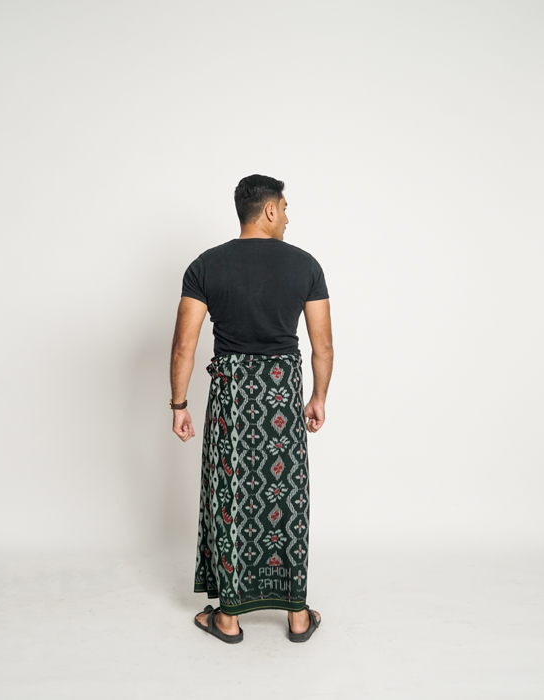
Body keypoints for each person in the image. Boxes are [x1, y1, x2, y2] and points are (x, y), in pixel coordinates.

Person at [169, 174, 333, 644]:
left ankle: (229, 618)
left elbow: (183, 348)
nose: (288, 218)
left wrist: (179, 404)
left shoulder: (205, 265)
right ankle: (297, 614)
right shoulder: (306, 265)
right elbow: (322, 346)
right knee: (287, 498)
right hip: (282, 395)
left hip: (232, 398)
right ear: (269, 211)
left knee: (231, 497)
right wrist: (318, 398)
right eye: (285, 208)